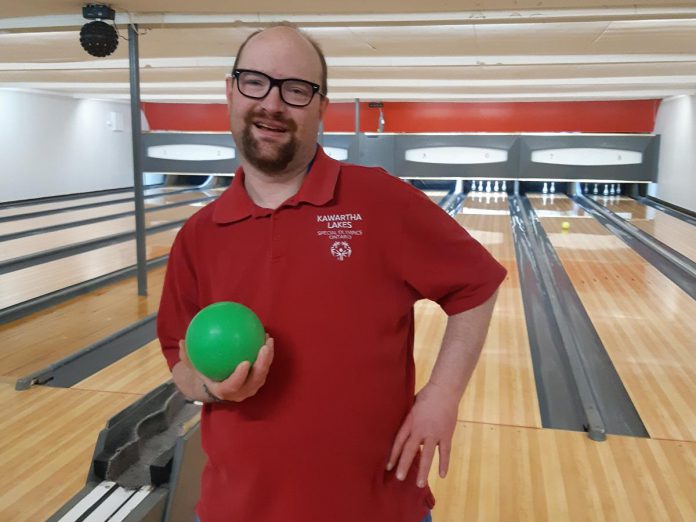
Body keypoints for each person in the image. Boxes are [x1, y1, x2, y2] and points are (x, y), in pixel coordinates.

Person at [157, 23, 506, 522]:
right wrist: (212, 388)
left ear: (321, 107)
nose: (272, 104)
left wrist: (441, 396)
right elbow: (180, 363)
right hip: (234, 510)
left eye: (296, 90)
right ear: (231, 91)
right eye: (255, 81)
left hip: (378, 509)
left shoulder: (379, 201)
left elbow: (477, 283)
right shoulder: (198, 235)